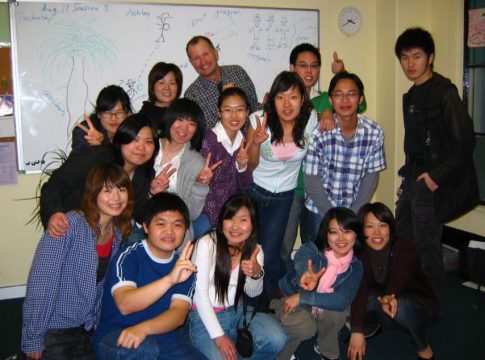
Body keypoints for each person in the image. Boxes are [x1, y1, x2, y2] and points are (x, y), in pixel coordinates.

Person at [394, 27, 478, 299]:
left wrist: (434, 178)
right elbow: (415, 147)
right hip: (416, 178)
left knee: (427, 241)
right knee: (403, 230)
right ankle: (406, 287)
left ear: (430, 57)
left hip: (435, 180)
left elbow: (464, 143)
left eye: (416, 56)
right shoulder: (410, 97)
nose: (410, 64)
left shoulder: (445, 93)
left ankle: (431, 299)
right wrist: (407, 180)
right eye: (405, 57)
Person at [22, 163, 134, 359]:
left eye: (122, 189)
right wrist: (33, 338)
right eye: (107, 190)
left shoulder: (117, 234)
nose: (116, 197)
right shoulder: (69, 225)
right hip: (53, 331)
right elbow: (41, 283)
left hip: (86, 331)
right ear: (93, 194)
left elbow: (100, 287)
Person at [94, 192, 205, 359]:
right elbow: (126, 304)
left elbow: (178, 315)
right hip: (117, 334)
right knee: (142, 350)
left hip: (165, 339)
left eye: (177, 225)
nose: (169, 231)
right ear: (146, 227)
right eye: (161, 224)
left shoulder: (184, 265)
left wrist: (144, 329)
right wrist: (169, 280)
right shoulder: (128, 256)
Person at [246, 71, 317, 306]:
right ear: (271, 100)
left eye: (293, 97)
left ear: (302, 100)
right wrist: (255, 143)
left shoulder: (310, 119)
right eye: (280, 97)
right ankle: (255, 302)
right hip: (254, 191)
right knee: (252, 251)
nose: (287, 104)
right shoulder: (259, 119)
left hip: (283, 197)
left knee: (270, 252)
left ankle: (268, 302)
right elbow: (250, 164)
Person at [189, 194, 288, 360]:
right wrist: (219, 336)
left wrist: (256, 274)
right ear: (222, 221)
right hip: (202, 317)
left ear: (252, 225)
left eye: (243, 220)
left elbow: (254, 294)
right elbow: (199, 295)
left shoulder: (256, 251)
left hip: (237, 312)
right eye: (230, 218)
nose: (235, 227)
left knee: (278, 338)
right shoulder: (207, 244)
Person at [281, 43, 350, 269]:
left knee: (313, 245)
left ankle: (311, 292)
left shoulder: (324, 100)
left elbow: (357, 104)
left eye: (314, 66)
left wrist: (340, 75)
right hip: (289, 188)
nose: (309, 71)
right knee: (284, 244)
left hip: (317, 189)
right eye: (303, 66)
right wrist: (323, 111)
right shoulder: (283, 102)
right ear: (292, 68)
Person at [40, 113, 158, 238]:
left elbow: (136, 215)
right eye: (135, 139)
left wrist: (152, 192)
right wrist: (53, 213)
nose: (141, 147)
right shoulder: (95, 157)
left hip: (110, 237)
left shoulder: (145, 172)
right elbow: (54, 186)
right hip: (70, 230)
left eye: (148, 142)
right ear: (122, 139)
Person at [348, 202, 439, 360]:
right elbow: (360, 289)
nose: (377, 232)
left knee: (401, 306)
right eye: (369, 226)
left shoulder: (405, 248)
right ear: (362, 230)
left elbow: (400, 275)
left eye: (382, 225)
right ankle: (373, 325)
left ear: (390, 227)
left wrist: (390, 296)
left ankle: (422, 345)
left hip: (418, 306)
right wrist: (357, 330)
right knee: (359, 299)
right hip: (386, 306)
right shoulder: (359, 254)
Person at [303, 71, 386, 244]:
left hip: (354, 211)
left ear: (361, 99)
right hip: (320, 211)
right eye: (339, 95)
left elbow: (371, 176)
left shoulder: (374, 132)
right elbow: (311, 179)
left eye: (351, 94)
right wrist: (331, 216)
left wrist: (353, 214)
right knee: (317, 261)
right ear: (331, 101)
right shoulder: (319, 133)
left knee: (348, 261)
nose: (345, 100)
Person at [274, 207, 364, 360]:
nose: (341, 238)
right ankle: (280, 355)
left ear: (356, 234)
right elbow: (304, 255)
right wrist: (305, 273)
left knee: (337, 313)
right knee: (305, 327)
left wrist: (302, 297)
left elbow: (342, 300)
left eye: (347, 231)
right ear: (326, 234)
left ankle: (326, 350)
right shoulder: (315, 250)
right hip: (289, 299)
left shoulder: (355, 266)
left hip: (310, 302)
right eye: (334, 232)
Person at [149, 98, 220, 245]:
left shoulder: (197, 162)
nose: (184, 128)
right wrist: (151, 191)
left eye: (191, 124)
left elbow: (191, 215)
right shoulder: (148, 145)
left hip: (175, 235)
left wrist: (200, 185)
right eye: (180, 120)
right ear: (170, 118)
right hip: (141, 224)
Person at [197, 87, 253, 235]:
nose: (234, 116)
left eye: (240, 110)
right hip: (206, 210)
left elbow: (245, 185)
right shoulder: (209, 140)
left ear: (247, 112)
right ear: (219, 112)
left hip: (231, 210)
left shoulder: (243, 139)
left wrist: (242, 166)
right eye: (228, 110)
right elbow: (204, 189)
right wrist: (219, 223)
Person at [184, 35, 260, 128]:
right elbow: (205, 132)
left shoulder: (238, 72)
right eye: (196, 58)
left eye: (206, 54)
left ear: (215, 53)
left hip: (252, 138)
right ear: (191, 63)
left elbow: (254, 107)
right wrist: (223, 100)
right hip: (220, 143)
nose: (203, 62)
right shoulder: (192, 95)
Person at [72, 85, 132, 150]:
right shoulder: (85, 133)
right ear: (99, 114)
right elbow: (79, 159)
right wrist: (96, 147)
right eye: (107, 112)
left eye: (119, 112)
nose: (113, 118)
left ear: (128, 114)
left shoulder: (135, 133)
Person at [139, 62, 183, 137]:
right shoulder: (143, 117)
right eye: (161, 83)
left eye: (172, 83)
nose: (167, 88)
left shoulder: (184, 113)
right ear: (152, 86)